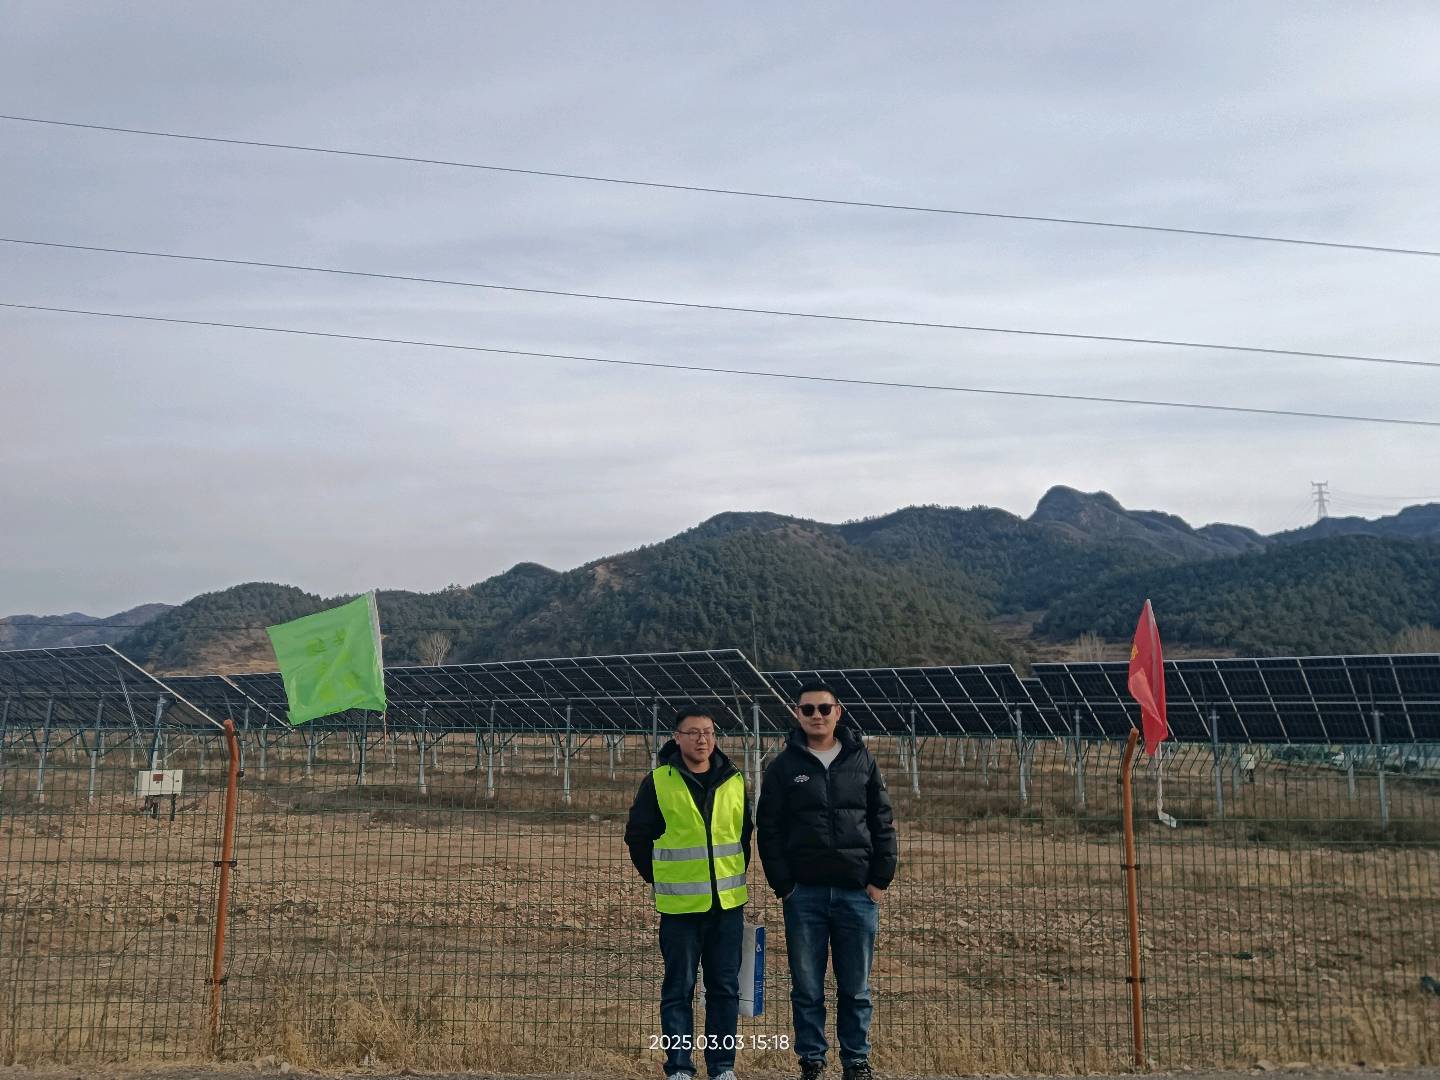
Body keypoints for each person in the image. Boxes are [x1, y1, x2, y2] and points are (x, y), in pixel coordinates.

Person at [757, 682, 897, 1080]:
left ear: (838, 712)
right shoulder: (783, 767)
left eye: (823, 708)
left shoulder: (862, 760)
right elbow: (769, 829)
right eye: (807, 709)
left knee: (856, 988)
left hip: (857, 893)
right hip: (804, 895)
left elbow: (882, 821)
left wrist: (879, 880)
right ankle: (812, 1061)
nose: (816, 715)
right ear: (796, 714)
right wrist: (784, 885)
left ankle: (856, 1061)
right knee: (807, 987)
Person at [626, 705, 754, 1080]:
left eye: (709, 732)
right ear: (677, 737)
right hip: (680, 909)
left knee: (724, 989)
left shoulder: (734, 780)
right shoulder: (659, 782)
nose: (702, 739)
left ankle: (722, 1067)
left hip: (727, 906)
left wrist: (728, 875)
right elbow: (638, 836)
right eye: (693, 732)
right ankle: (679, 1067)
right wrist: (660, 878)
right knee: (678, 990)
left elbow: (743, 835)